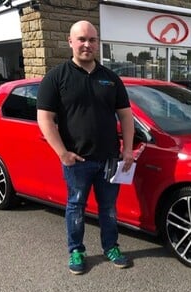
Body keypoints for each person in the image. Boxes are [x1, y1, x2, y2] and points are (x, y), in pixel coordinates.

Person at [37, 20, 135, 274]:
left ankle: (111, 247)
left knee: (109, 208)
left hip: (110, 159)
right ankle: (76, 251)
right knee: (76, 206)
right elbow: (45, 119)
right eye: (81, 39)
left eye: (92, 40)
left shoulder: (111, 79)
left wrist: (127, 150)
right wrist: (63, 153)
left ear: (97, 43)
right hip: (77, 160)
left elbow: (126, 116)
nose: (87, 44)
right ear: (70, 42)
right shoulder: (56, 77)